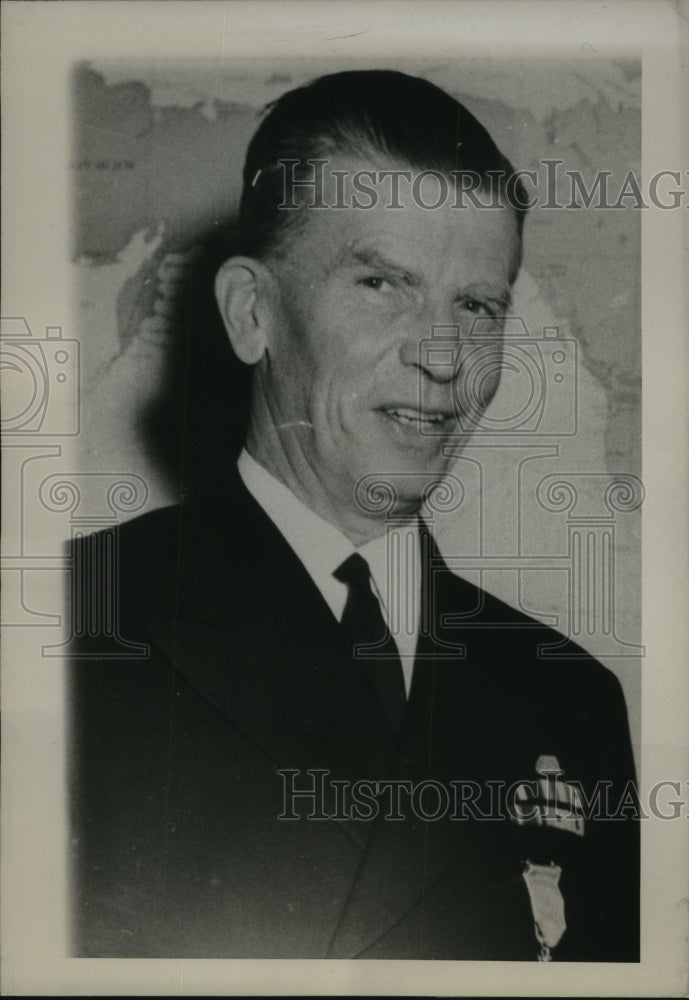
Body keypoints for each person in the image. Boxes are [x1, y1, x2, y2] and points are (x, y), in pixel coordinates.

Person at [69, 69, 639, 961]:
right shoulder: (69, 629)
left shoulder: (569, 698)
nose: (443, 358)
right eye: (382, 284)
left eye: (477, 305)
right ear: (251, 313)